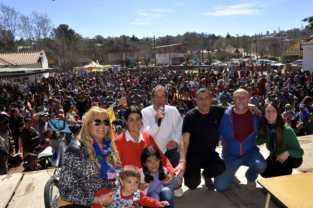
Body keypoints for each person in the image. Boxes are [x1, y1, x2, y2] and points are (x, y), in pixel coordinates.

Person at [58, 106, 119, 208]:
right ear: (88, 125)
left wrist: (120, 181)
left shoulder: (108, 148)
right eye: (97, 122)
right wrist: (97, 200)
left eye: (106, 122)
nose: (102, 126)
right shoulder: (76, 150)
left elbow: (109, 178)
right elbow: (66, 190)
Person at [215, 88, 267, 192]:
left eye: (244, 97)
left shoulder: (255, 115)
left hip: (250, 153)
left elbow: (270, 121)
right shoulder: (223, 114)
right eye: (237, 97)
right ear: (233, 99)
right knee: (220, 187)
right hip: (230, 156)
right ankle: (231, 173)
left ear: (249, 99)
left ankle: (250, 178)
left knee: (261, 165)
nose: (240, 99)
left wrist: (258, 110)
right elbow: (205, 109)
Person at [175, 88, 225, 190]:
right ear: (196, 100)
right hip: (193, 155)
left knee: (220, 167)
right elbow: (184, 141)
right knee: (192, 184)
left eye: (207, 98)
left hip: (209, 153)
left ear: (211, 99)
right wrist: (182, 160)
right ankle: (195, 174)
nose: (204, 101)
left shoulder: (218, 111)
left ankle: (206, 175)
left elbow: (235, 109)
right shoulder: (190, 116)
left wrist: (250, 106)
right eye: (200, 99)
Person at [114, 105, 174, 174]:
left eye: (138, 119)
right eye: (131, 120)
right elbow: (116, 169)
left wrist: (171, 171)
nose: (135, 122)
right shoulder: (117, 142)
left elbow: (161, 157)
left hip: (152, 180)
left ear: (141, 120)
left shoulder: (148, 137)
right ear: (126, 122)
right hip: (131, 183)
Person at [257, 103, 303, 177]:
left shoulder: (287, 130)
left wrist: (287, 153)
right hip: (276, 155)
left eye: (273, 111)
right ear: (264, 114)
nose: (270, 113)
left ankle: (285, 177)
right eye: (268, 111)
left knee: (279, 174)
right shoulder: (265, 129)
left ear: (277, 113)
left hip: (292, 157)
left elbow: (300, 152)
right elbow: (257, 142)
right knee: (264, 172)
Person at [141, 85, 182, 168]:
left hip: (171, 152)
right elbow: (146, 136)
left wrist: (176, 141)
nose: (160, 100)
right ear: (152, 99)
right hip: (153, 154)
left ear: (166, 99)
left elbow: (180, 128)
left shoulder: (173, 110)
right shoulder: (144, 113)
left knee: (175, 178)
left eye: (163, 96)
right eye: (157, 96)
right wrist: (156, 122)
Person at [92, 165, 170, 208]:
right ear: (122, 182)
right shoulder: (114, 192)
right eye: (129, 182)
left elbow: (147, 200)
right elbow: (99, 201)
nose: (133, 185)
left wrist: (157, 203)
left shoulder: (137, 194)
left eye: (136, 182)